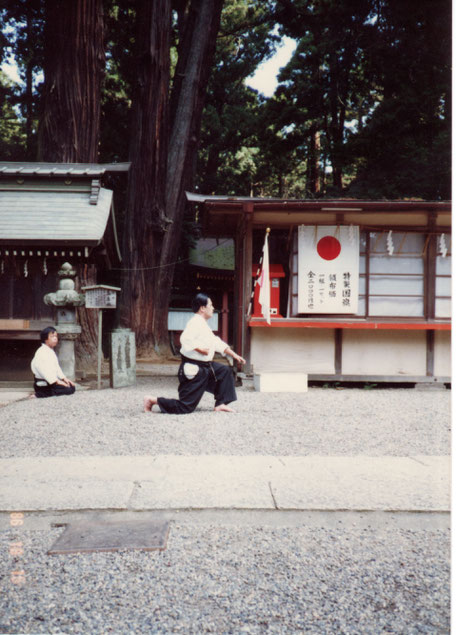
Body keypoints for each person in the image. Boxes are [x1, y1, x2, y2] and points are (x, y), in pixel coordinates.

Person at [144, 293, 245, 414]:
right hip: (193, 368)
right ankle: (152, 400)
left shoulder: (202, 324)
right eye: (211, 305)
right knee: (185, 407)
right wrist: (200, 349)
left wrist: (233, 354)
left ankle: (220, 404)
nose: (213, 308)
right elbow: (185, 339)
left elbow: (215, 342)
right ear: (202, 308)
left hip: (205, 366)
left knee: (224, 371)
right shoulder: (194, 323)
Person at [31, 326, 76, 398]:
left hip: (51, 382)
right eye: (52, 336)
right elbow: (44, 371)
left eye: (56, 336)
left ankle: (46, 392)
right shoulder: (41, 352)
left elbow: (56, 368)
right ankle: (40, 394)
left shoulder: (50, 351)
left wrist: (64, 379)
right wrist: (57, 381)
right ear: (45, 339)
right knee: (69, 389)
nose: (55, 338)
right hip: (43, 383)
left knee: (71, 387)